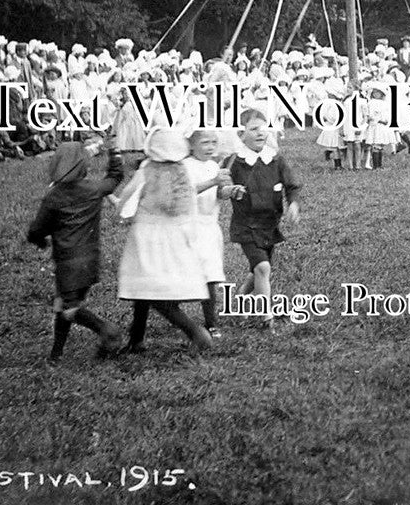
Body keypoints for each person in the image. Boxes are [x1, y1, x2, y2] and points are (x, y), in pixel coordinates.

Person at [26, 136, 125, 364]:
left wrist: (40, 241)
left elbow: (36, 230)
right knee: (62, 304)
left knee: (69, 309)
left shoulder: (54, 197)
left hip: (67, 262)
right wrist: (115, 152)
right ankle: (56, 354)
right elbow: (115, 178)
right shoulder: (93, 189)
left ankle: (107, 330)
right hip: (91, 259)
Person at [116, 128, 214, 354]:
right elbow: (190, 203)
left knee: (152, 292)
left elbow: (129, 197)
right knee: (146, 290)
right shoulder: (182, 170)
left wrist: (121, 208)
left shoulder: (147, 170)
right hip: (176, 238)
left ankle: (197, 333)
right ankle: (136, 338)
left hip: (148, 238)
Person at [223, 108, 302, 332]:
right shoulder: (234, 162)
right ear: (240, 134)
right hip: (245, 224)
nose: (260, 133)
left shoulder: (275, 159)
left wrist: (293, 203)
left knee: (257, 269)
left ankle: (238, 299)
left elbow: (291, 185)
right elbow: (220, 186)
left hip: (270, 223)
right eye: (253, 129)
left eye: (264, 128)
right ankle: (266, 318)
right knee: (263, 268)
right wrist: (228, 189)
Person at [182, 130, 235, 339]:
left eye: (214, 142)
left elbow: (218, 194)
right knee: (186, 274)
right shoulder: (185, 166)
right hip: (190, 226)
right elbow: (186, 192)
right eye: (205, 142)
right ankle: (176, 317)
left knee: (211, 276)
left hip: (210, 227)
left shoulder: (213, 166)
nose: (211, 147)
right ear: (191, 146)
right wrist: (214, 181)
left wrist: (229, 191)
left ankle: (211, 323)